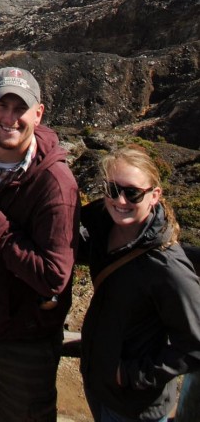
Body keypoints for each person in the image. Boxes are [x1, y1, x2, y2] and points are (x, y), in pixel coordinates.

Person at [0, 64, 79, 422]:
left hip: (24, 343)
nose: (10, 118)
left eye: (20, 108)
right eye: (1, 106)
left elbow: (54, 276)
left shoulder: (56, 185)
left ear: (38, 114)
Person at [79, 145, 200, 422]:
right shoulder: (104, 223)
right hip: (101, 388)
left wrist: (133, 375)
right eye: (112, 189)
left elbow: (194, 344)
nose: (120, 200)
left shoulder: (167, 266)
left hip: (134, 407)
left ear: (154, 195)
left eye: (132, 192)